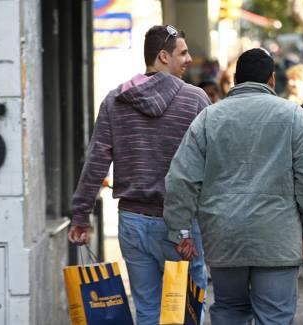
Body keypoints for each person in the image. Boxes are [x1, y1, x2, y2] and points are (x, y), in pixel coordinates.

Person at [164, 48, 303, 324]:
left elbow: (181, 177)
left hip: (224, 237)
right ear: (272, 80)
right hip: (277, 239)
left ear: (236, 79)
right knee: (274, 315)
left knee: (229, 310)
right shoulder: (295, 117)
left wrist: (180, 230)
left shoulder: (208, 118)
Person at [67, 25, 210, 325]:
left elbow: (96, 161)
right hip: (181, 223)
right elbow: (213, 163)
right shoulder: (195, 100)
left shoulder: (115, 101)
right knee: (188, 309)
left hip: (133, 221)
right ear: (162, 56)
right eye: (182, 53)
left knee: (147, 309)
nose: (189, 59)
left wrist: (81, 215)